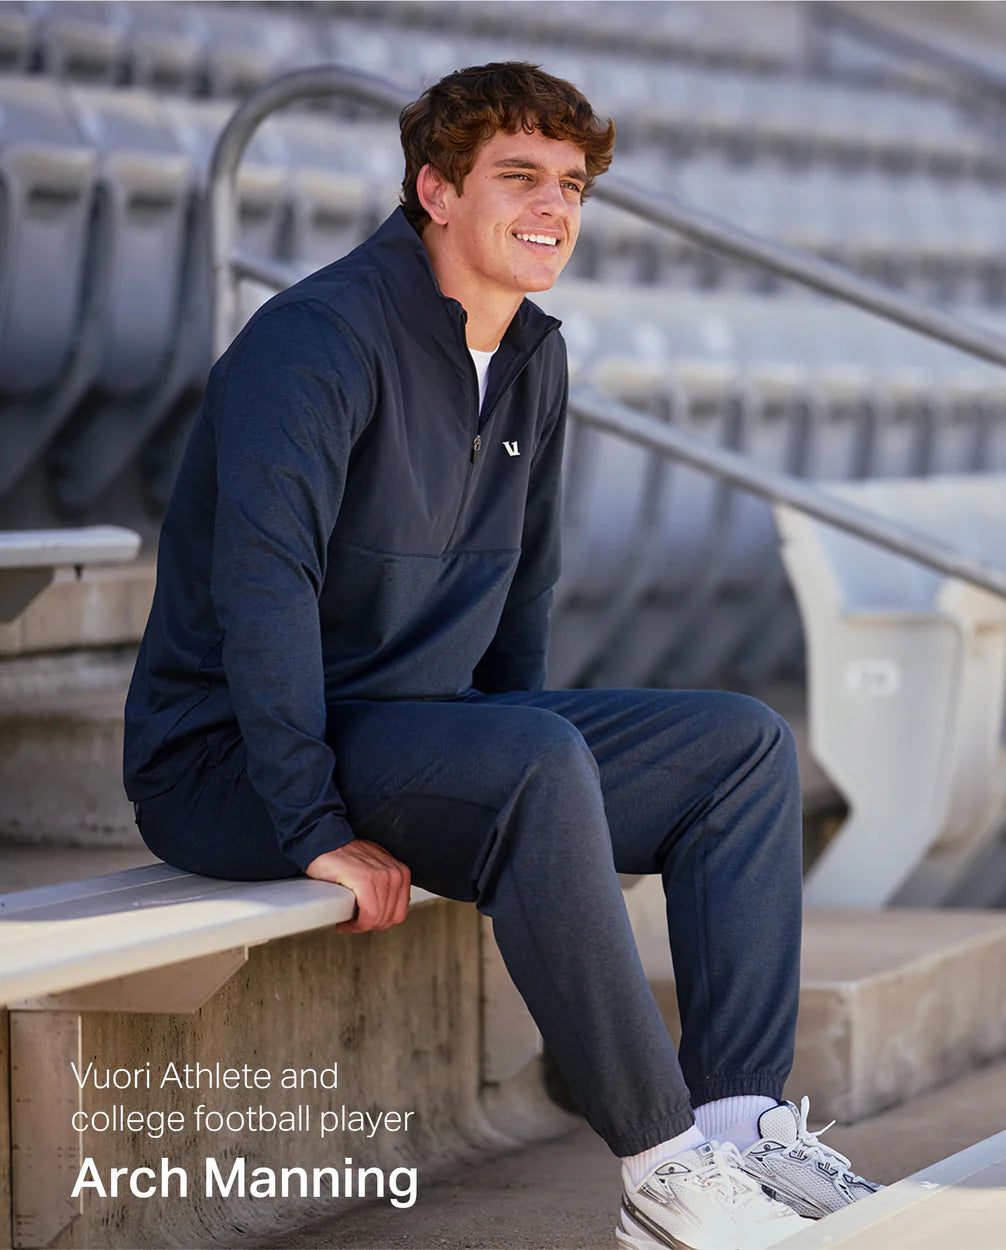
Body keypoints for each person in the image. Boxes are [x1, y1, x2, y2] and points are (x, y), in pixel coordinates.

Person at [124, 62, 880, 1250]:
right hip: (232, 757)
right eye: (518, 177)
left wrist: (533, 783)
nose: (554, 208)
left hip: (414, 728)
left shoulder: (531, 349)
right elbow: (261, 594)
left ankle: (741, 1132)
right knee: (532, 759)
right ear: (434, 187)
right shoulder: (315, 340)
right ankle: (662, 1170)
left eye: (571, 184)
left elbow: (521, 593)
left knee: (740, 746)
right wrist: (312, 821)